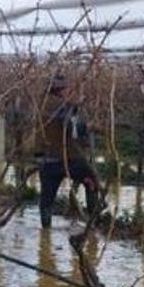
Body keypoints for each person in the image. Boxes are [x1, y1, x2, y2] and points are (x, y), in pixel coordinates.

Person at [37, 73, 101, 228]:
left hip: (45, 160)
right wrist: (88, 126)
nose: (69, 91)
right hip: (66, 158)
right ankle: (93, 224)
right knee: (91, 180)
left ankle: (45, 233)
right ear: (61, 90)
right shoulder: (62, 106)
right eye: (67, 89)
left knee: (46, 199)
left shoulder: (41, 103)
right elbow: (70, 129)